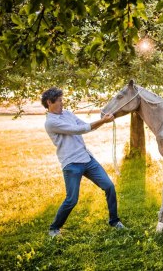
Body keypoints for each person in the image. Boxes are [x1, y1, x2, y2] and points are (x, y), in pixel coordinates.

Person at [41, 87, 126, 237]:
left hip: (87, 159)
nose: (62, 103)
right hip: (71, 163)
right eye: (59, 100)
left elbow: (86, 127)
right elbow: (78, 130)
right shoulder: (51, 123)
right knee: (72, 200)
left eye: (62, 99)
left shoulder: (67, 113)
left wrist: (104, 120)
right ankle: (54, 228)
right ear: (49, 102)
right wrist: (103, 120)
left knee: (109, 186)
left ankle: (114, 221)